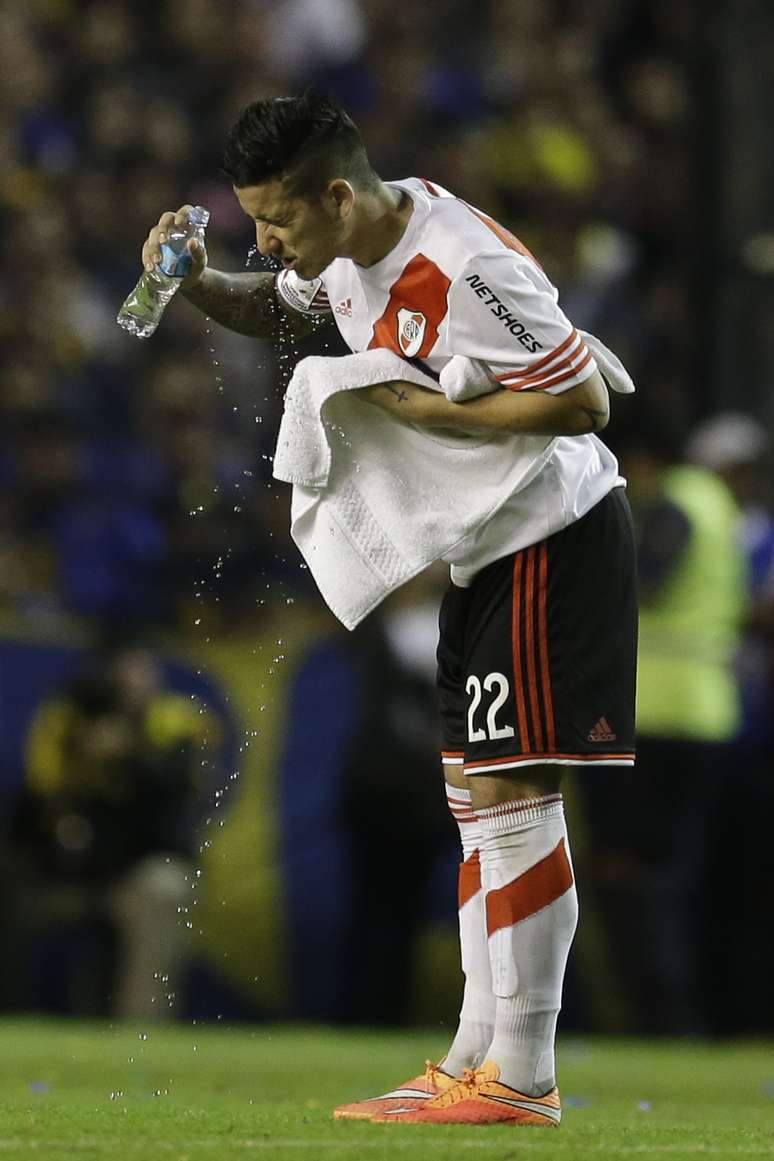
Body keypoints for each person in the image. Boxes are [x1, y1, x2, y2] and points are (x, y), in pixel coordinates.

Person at [140, 91, 637, 1127]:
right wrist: (192, 284)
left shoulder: (463, 264)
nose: (267, 239)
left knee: (514, 803)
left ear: (337, 192)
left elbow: (585, 400)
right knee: (474, 803)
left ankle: (526, 1077)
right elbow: (277, 305)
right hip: (485, 547)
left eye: (278, 219)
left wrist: (431, 407)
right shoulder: (347, 255)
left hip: (552, 536)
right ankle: (472, 1055)